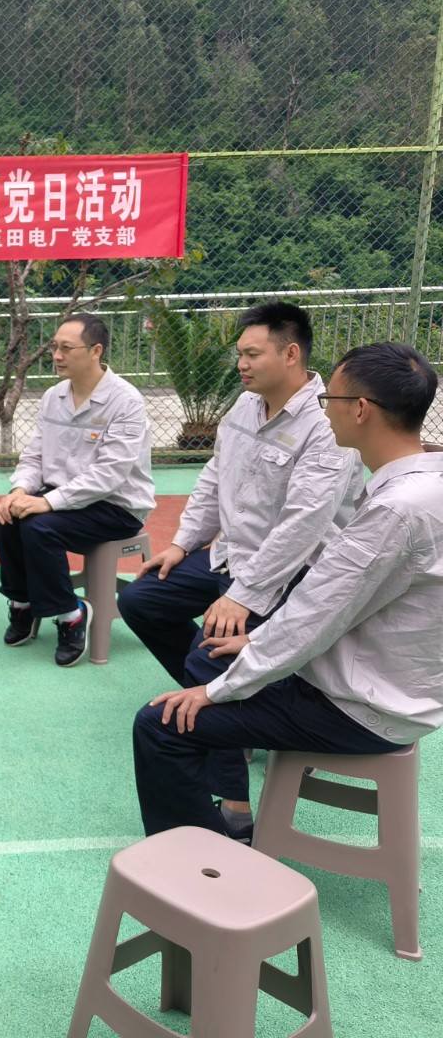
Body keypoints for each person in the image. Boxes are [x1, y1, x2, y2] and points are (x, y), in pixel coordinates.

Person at [134, 343, 443, 840]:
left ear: (360, 411)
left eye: (330, 400)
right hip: (394, 687)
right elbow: (331, 606)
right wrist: (254, 643)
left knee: (161, 723)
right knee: (214, 653)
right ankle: (231, 809)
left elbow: (314, 618)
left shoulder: (395, 510)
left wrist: (216, 692)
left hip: (359, 707)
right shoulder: (426, 483)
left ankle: (201, 856)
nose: (323, 410)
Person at [117, 303, 361, 840]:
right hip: (230, 556)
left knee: (207, 655)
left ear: (290, 353)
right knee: (142, 600)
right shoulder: (246, 406)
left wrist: (243, 596)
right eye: (240, 354)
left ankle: (234, 806)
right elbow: (214, 476)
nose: (241, 364)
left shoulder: (324, 425)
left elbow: (303, 525)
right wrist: (182, 544)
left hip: (291, 572)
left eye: (252, 354)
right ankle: (233, 705)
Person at [0, 312, 154, 667]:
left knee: (39, 527)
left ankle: (70, 614)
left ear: (96, 351)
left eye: (67, 348)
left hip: (116, 507)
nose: (56, 355)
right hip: (63, 498)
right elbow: (34, 455)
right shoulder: (54, 396)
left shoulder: (125, 401)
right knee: (6, 518)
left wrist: (47, 502)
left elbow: (109, 475)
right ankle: (22, 602)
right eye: (54, 346)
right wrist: (19, 490)